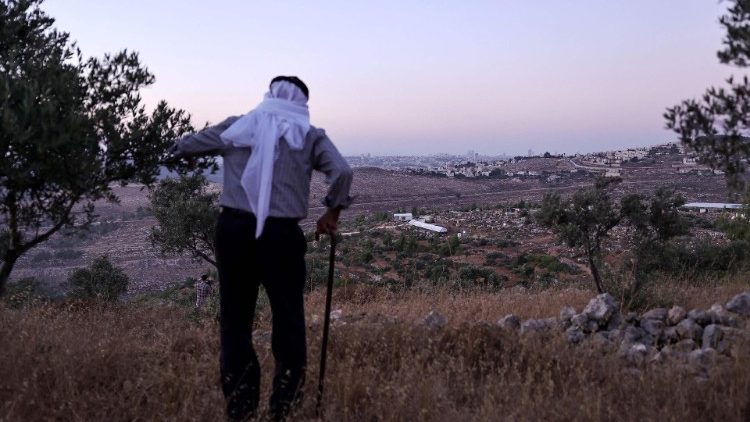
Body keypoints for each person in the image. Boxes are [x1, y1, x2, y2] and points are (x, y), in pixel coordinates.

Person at [170, 76, 353, 420]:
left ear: (268, 96)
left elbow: (185, 146)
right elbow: (342, 172)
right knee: (289, 322)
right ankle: (283, 408)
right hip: (281, 237)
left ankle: (241, 409)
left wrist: (190, 156)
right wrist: (331, 213)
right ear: (303, 103)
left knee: (235, 322)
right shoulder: (309, 136)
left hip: (235, 232)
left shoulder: (239, 127)